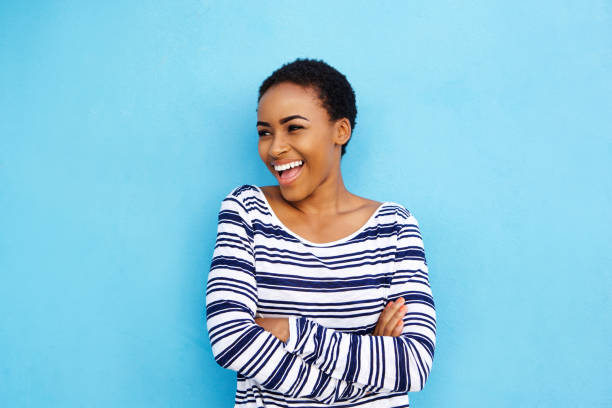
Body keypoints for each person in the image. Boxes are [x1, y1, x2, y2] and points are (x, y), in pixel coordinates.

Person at [206, 58, 436, 407]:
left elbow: (413, 364)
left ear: (340, 131)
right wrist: (364, 376)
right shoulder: (247, 211)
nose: (275, 148)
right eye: (265, 132)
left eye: (293, 127)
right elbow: (231, 338)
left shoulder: (395, 228)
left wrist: (291, 330)